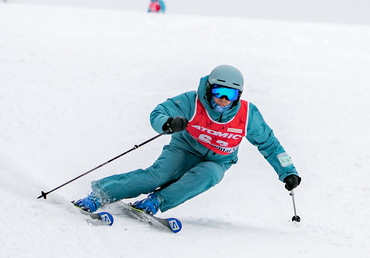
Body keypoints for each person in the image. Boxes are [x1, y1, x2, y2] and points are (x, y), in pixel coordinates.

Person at [73, 64, 300, 220]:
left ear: (238, 96)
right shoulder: (192, 101)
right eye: (219, 92)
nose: (222, 100)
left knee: (210, 174)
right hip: (184, 149)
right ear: (209, 89)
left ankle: (155, 202)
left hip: (218, 160)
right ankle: (99, 194)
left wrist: (287, 170)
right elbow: (159, 112)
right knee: (159, 176)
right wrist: (168, 122)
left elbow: (270, 144)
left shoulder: (248, 114)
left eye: (229, 95)